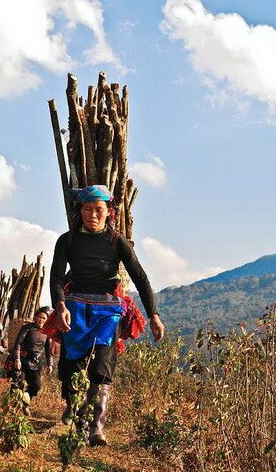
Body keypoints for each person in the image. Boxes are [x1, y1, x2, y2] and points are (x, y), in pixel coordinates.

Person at [49, 184, 165, 446]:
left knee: (102, 365)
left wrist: (154, 315)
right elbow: (56, 276)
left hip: (108, 310)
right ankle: (77, 420)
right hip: (75, 306)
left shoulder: (116, 241)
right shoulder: (67, 240)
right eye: (87, 209)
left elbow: (141, 277)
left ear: (109, 212)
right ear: (80, 211)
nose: (92, 214)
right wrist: (60, 306)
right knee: (72, 366)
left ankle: (96, 428)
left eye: (98, 210)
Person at [10, 306, 53, 415]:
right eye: (40, 317)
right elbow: (18, 343)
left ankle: (25, 404)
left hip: (35, 363)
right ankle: (12, 410)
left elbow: (48, 350)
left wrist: (50, 364)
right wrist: (17, 359)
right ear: (35, 317)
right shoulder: (27, 328)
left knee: (36, 385)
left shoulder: (46, 332)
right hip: (22, 361)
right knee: (17, 385)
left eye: (44, 318)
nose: (41, 320)